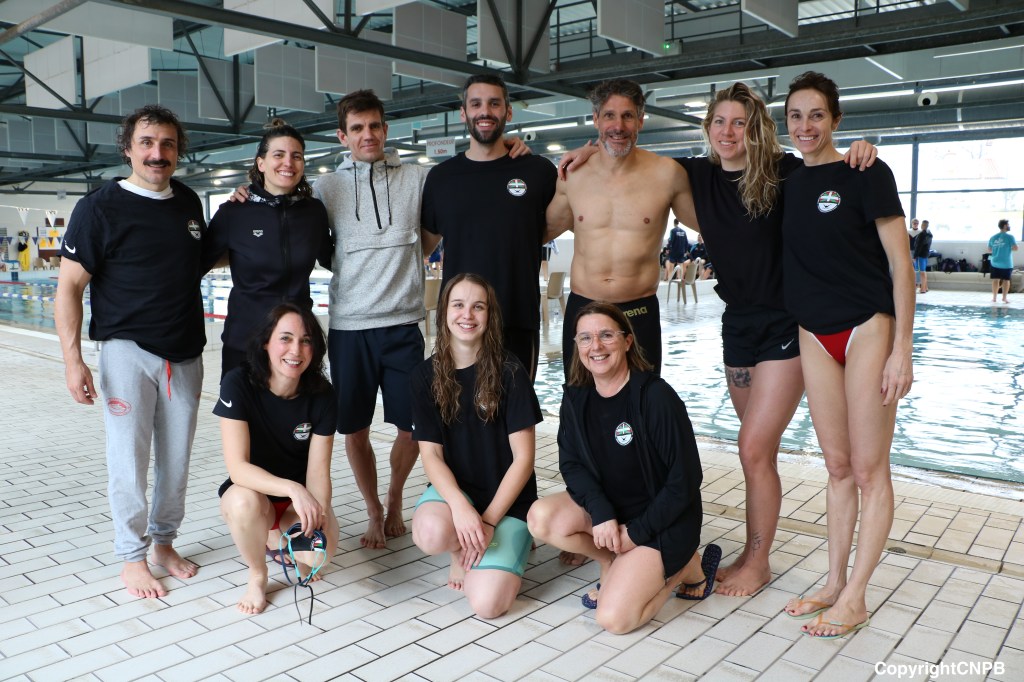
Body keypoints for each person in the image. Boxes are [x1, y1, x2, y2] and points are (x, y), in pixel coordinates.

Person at [558, 82, 876, 593]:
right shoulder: (697, 174)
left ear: (756, 129)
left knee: (752, 448)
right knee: (755, 449)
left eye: (740, 123)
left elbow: (825, 167)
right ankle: (743, 549)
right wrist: (591, 149)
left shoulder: (783, 172)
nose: (729, 132)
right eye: (720, 122)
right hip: (738, 324)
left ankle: (758, 561)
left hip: (785, 322)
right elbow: (626, 156)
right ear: (707, 128)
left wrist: (855, 151)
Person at [233, 90, 529, 550]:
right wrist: (246, 192)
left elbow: (461, 190)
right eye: (356, 128)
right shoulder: (327, 187)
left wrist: (512, 149)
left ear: (386, 129)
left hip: (403, 324)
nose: (367, 135)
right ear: (342, 136)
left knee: (413, 427)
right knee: (355, 429)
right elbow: (282, 202)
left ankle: (394, 500)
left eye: (374, 126)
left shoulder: (417, 177)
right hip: (350, 327)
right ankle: (373, 509)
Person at [780, 72, 914, 639]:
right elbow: (725, 157)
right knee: (836, 467)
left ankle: (857, 597)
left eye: (816, 115)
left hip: (866, 327)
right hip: (813, 333)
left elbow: (901, 265)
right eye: (795, 116)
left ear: (835, 119)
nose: (805, 126)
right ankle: (834, 581)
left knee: (868, 469)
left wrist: (902, 349)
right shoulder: (787, 180)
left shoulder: (867, 172)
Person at [54, 105, 205, 599]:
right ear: (127, 148)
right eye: (147, 143)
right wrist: (73, 360)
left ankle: (164, 543)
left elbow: (202, 259)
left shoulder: (188, 201)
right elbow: (69, 287)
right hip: (126, 352)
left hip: (185, 353)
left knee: (176, 461)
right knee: (129, 459)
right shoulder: (98, 208)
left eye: (167, 144)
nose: (157, 153)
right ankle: (131, 556)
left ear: (178, 151)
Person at [527, 301, 719, 634]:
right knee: (540, 517)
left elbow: (685, 480)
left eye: (606, 335)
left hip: (662, 523)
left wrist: (636, 534)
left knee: (614, 620)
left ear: (627, 341)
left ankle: (683, 569)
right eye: (585, 338)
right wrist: (601, 513)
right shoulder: (577, 398)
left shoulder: (655, 398)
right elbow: (571, 464)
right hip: (614, 513)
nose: (595, 346)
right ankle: (611, 561)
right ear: (576, 346)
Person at [546, 78, 698, 377]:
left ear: (640, 120)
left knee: (644, 399)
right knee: (579, 398)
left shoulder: (667, 174)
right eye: (609, 116)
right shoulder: (573, 175)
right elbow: (536, 232)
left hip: (638, 311)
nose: (618, 126)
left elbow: (713, 227)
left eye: (628, 116)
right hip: (584, 308)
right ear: (596, 120)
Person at [410, 273, 541, 618]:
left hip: (507, 503)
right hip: (458, 494)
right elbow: (431, 455)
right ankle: (460, 549)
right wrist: (459, 507)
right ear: (443, 312)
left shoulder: (511, 371)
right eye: (458, 305)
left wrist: (489, 520)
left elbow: (524, 460)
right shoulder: (425, 376)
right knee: (429, 532)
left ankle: (515, 538)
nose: (467, 315)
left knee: (488, 605)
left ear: (489, 315)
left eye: (478, 307)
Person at [422, 74, 557, 380]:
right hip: (461, 322)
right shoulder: (441, 178)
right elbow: (422, 246)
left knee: (517, 408)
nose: (485, 111)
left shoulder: (537, 171)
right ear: (463, 113)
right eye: (476, 104)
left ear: (508, 112)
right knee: (458, 407)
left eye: (494, 104)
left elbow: (569, 213)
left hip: (517, 319)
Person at [215, 303, 338, 615]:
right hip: (254, 493)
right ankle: (258, 573)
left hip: (297, 501)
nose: (296, 350)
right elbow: (238, 468)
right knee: (242, 503)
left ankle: (280, 536)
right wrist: (293, 489)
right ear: (266, 343)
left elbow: (319, 472)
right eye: (285, 338)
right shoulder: (238, 383)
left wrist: (319, 513)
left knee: (317, 557)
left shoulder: (323, 395)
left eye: (306, 341)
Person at [203, 119, 332, 377]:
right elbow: (198, 263)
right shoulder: (234, 212)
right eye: (279, 155)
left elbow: (333, 258)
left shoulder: (313, 212)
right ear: (261, 163)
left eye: (296, 156)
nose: (288, 162)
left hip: (296, 345)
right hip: (245, 342)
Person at [989, 219, 1018, 304]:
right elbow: (1015, 248)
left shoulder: (993, 237)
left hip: (994, 262)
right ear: (1005, 226)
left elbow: (989, 249)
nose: (1009, 226)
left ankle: (994, 298)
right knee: (1006, 280)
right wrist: (1007, 248)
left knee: (995, 280)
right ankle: (1004, 298)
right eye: (1008, 225)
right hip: (1006, 263)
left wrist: (998, 249)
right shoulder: (1010, 237)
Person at [913, 220, 932, 293]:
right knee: (924, 271)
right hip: (926, 254)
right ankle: (926, 287)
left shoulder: (922, 234)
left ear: (922, 225)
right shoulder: (930, 233)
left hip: (920, 255)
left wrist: (915, 256)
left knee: (921, 272)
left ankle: (923, 289)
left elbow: (918, 246)